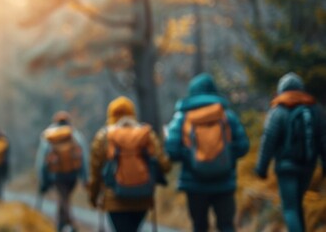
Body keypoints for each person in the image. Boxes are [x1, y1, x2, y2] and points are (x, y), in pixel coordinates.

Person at [164, 73, 249, 232]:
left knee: (199, 226)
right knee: (226, 226)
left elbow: (171, 151)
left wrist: (191, 156)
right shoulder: (226, 116)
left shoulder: (182, 117)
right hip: (224, 182)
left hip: (194, 184)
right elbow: (243, 146)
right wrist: (224, 156)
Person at [255, 73, 326, 232]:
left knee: (290, 208)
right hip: (308, 165)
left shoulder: (278, 110)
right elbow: (323, 139)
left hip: (286, 167)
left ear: (281, 90)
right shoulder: (315, 109)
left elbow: (269, 139)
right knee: (297, 204)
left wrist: (262, 167)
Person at [88, 97, 171, 232]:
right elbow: (164, 166)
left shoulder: (104, 137)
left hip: (114, 200)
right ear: (133, 113)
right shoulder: (146, 134)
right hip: (142, 197)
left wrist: (93, 197)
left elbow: (95, 171)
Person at [36, 111, 89, 231]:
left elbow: (42, 159)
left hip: (56, 175)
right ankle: (61, 225)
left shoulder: (49, 136)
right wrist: (84, 177)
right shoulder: (75, 135)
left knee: (63, 198)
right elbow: (83, 156)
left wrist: (43, 180)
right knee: (64, 198)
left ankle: (70, 224)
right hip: (72, 174)